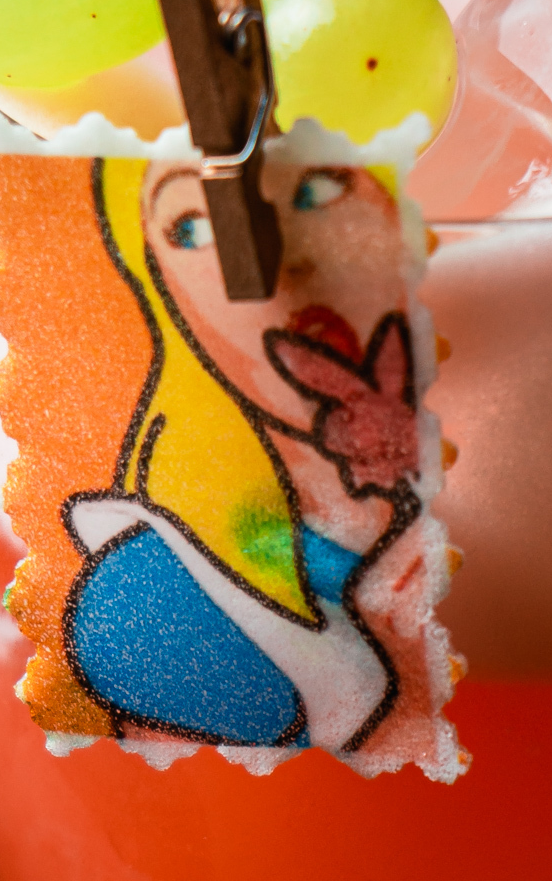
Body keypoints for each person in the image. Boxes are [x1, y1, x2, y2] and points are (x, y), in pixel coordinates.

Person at [61, 155, 431, 758]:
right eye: (196, 228)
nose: (279, 262)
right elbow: (155, 792)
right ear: (164, 287)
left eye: (320, 189)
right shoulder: (153, 589)